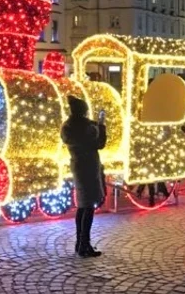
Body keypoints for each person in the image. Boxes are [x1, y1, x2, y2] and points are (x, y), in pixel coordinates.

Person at [61, 96, 107, 258]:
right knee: (88, 207)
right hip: (89, 167)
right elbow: (100, 143)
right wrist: (101, 125)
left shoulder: (68, 126)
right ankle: (84, 245)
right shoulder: (87, 127)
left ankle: (79, 243)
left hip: (78, 166)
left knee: (82, 205)